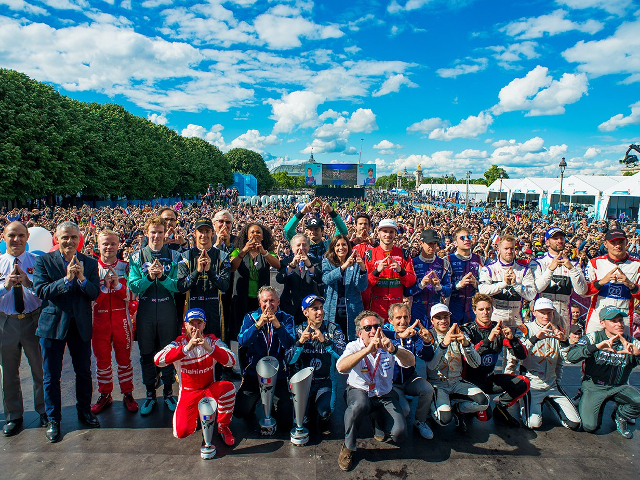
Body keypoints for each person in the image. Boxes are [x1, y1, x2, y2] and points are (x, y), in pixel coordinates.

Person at [33, 220, 101, 443]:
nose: (69, 241)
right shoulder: (44, 261)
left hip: (80, 325)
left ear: (79, 238)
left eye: (73, 237)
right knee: (51, 376)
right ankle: (54, 419)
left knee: (83, 372)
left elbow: (94, 294)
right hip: (52, 326)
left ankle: (84, 411)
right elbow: (41, 290)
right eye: (65, 237)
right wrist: (66, 279)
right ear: (56, 238)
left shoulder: (89, 263)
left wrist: (81, 278)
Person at [336, 310, 415, 472]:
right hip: (360, 392)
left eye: (376, 326)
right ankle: (348, 447)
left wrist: (394, 350)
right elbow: (341, 367)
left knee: (399, 434)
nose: (373, 331)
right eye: (368, 328)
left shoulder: (389, 344)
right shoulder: (354, 346)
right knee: (359, 405)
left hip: (384, 395)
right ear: (360, 333)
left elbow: (410, 362)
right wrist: (367, 350)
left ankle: (377, 420)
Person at [154, 308, 237, 458]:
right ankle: (199, 416)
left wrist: (209, 348)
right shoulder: (178, 343)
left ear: (204, 325)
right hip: (188, 393)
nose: (195, 328)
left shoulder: (211, 340)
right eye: (192, 324)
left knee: (228, 388)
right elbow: (157, 360)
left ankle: (223, 426)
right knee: (181, 432)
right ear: (185, 325)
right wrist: (186, 349)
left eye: (199, 323)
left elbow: (231, 361)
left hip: (208, 390)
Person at [128, 216, 182, 416]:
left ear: (165, 233)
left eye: (160, 232)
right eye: (153, 232)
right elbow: (133, 286)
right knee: (146, 353)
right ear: (146, 233)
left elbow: (179, 285)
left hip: (168, 309)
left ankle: (168, 392)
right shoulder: (136, 257)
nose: (157, 236)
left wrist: (164, 278)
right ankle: (150, 394)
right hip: (146, 310)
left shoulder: (175, 256)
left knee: (168, 353)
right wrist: (150, 277)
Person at [0, 221, 47, 436]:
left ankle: (45, 410)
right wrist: (5, 286)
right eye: (12, 235)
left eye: (21, 235)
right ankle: (14, 415)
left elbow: (46, 292)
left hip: (33, 320)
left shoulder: (38, 262)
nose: (16, 239)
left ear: (28, 237)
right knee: (9, 373)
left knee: (40, 370)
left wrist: (28, 283)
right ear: (4, 236)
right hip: (6, 323)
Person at [566, 306, 640, 439]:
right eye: (614, 321)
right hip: (595, 386)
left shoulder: (632, 342)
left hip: (619, 386)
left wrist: (638, 354)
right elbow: (571, 356)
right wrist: (596, 347)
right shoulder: (593, 337)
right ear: (602, 323)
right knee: (589, 426)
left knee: (638, 401)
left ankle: (620, 416)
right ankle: (588, 400)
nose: (619, 324)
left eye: (621, 320)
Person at [462, 294, 529, 428]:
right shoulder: (467, 330)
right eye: (481, 309)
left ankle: (501, 408)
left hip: (488, 380)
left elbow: (522, 355)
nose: (485, 312)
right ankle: (460, 409)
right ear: (474, 310)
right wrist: (489, 339)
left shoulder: (498, 328)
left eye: (488, 309)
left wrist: (512, 339)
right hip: (469, 383)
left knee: (523, 383)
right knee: (484, 416)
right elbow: (470, 357)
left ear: (492, 309)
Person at [235, 286, 295, 432]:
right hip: (254, 374)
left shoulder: (287, 318)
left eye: (272, 301)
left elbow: (290, 343)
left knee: (285, 421)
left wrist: (278, 326)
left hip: (278, 375)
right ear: (259, 303)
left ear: (278, 302)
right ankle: (256, 401)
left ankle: (273, 405)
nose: (268, 305)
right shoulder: (250, 318)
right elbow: (242, 341)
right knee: (240, 412)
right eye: (265, 301)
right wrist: (258, 325)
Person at [91, 229, 138, 415]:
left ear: (119, 245)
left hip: (122, 320)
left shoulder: (126, 267)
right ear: (98, 245)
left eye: (112, 243)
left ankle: (128, 393)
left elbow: (132, 297)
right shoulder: (91, 268)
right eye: (105, 243)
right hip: (99, 321)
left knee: (124, 360)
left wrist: (117, 285)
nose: (109, 247)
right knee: (102, 361)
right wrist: (104, 287)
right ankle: (105, 394)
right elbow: (91, 300)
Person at [516, 298, 581, 431]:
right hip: (532, 384)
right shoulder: (525, 329)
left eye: (549, 312)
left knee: (574, 423)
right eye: (542, 312)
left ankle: (549, 402)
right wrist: (534, 339)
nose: (546, 316)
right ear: (534, 312)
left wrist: (564, 342)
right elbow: (517, 355)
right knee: (533, 424)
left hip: (551, 384)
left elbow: (567, 360)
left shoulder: (559, 331)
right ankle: (523, 400)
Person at [285, 295, 346, 432]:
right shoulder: (297, 330)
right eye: (315, 309)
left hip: (325, 381)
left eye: (321, 308)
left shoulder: (333, 329)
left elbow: (344, 356)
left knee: (325, 411)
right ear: (305, 312)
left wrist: (326, 342)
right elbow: (288, 360)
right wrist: (300, 343)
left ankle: (321, 409)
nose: (320, 312)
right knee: (300, 421)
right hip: (302, 383)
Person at [425, 303, 489, 432]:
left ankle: (457, 409)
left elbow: (476, 364)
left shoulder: (459, 333)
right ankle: (433, 410)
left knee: (484, 402)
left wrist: (466, 345)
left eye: (445, 317)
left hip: (456, 381)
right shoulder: (428, 336)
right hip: (438, 384)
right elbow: (431, 366)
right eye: (438, 317)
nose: (443, 321)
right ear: (432, 320)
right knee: (444, 420)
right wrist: (443, 345)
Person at [382, 303, 435, 439]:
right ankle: (381, 421)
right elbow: (380, 334)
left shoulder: (414, 334)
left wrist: (427, 342)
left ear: (410, 318)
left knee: (427, 389)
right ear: (390, 320)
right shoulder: (384, 332)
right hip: (391, 384)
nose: (402, 321)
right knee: (405, 410)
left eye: (406, 317)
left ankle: (420, 421)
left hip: (410, 378)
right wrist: (399, 336)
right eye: (398, 317)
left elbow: (427, 357)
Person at [177, 217, 231, 340]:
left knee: (215, 348)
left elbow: (225, 285)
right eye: (201, 231)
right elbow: (181, 286)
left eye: (207, 231)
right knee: (194, 349)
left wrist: (209, 271)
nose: (204, 235)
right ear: (194, 233)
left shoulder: (222, 256)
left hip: (215, 309)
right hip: (193, 308)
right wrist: (197, 271)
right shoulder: (185, 257)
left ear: (213, 233)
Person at [229, 222, 280, 342]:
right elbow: (232, 267)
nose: (255, 234)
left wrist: (263, 252)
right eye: (252, 232)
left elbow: (277, 265)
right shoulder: (237, 251)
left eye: (258, 232)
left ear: (263, 237)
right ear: (247, 236)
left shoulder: (267, 253)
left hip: (260, 302)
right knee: (243, 333)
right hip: (242, 299)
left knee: (259, 333)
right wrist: (244, 251)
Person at [530, 227, 588, 332]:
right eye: (555, 238)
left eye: (561, 238)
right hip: (543, 312)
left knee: (563, 345)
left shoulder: (573, 264)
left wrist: (571, 268)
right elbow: (537, 288)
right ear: (547, 242)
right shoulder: (538, 262)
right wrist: (550, 269)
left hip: (564, 311)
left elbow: (582, 291)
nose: (559, 241)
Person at [584, 228, 640, 334]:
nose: (617, 246)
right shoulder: (595, 263)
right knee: (590, 347)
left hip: (624, 316)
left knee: (624, 349)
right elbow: (584, 292)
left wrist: (631, 285)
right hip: (598, 316)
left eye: (621, 242)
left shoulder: (637, 265)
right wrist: (601, 282)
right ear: (605, 244)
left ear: (626, 243)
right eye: (613, 243)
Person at [361, 219, 417, 320]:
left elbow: (411, 282)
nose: (388, 235)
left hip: (396, 310)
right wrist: (377, 271)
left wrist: (401, 271)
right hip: (375, 308)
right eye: (385, 231)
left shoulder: (404, 254)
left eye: (391, 232)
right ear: (378, 233)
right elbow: (363, 284)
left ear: (395, 233)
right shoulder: (369, 254)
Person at [478, 234, 537, 328]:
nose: (509, 252)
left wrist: (515, 284)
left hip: (517, 320)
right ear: (498, 250)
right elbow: (483, 290)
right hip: (495, 320)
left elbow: (531, 295)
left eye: (512, 248)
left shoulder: (524, 270)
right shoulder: (489, 269)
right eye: (506, 248)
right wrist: (503, 284)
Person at [321, 234, 368, 341]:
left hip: (352, 310)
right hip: (333, 310)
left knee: (352, 342)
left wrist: (362, 270)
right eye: (337, 245)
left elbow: (362, 286)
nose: (341, 248)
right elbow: (326, 279)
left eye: (344, 244)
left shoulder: (356, 263)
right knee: (333, 341)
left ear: (349, 247)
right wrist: (343, 267)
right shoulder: (327, 262)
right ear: (333, 248)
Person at [404, 229, 452, 327]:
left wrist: (438, 286)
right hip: (416, 309)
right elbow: (405, 292)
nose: (432, 246)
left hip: (436, 310)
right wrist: (421, 285)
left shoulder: (443, 263)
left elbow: (448, 291)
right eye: (429, 243)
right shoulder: (412, 263)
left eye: (435, 243)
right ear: (421, 243)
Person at [276, 233, 322, 324]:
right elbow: (279, 279)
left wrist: (309, 264)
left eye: (304, 245)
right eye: (298, 245)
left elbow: (319, 278)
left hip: (310, 306)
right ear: (292, 248)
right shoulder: (285, 262)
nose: (301, 248)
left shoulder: (315, 262)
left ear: (308, 247)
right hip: (289, 305)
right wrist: (292, 265)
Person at [284, 197, 348, 259]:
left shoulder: (329, 245)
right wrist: (302, 212)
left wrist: (331, 212)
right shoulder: (302, 246)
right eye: (310, 229)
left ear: (322, 231)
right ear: (307, 231)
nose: (313, 232)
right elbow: (288, 230)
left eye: (316, 229)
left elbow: (343, 231)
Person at [448, 226, 483, 325]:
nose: (467, 239)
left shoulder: (480, 260)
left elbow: (487, 285)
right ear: (455, 243)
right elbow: (442, 287)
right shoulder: (447, 260)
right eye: (462, 238)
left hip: (473, 308)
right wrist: (459, 284)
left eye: (469, 237)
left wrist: (476, 284)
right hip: (453, 307)